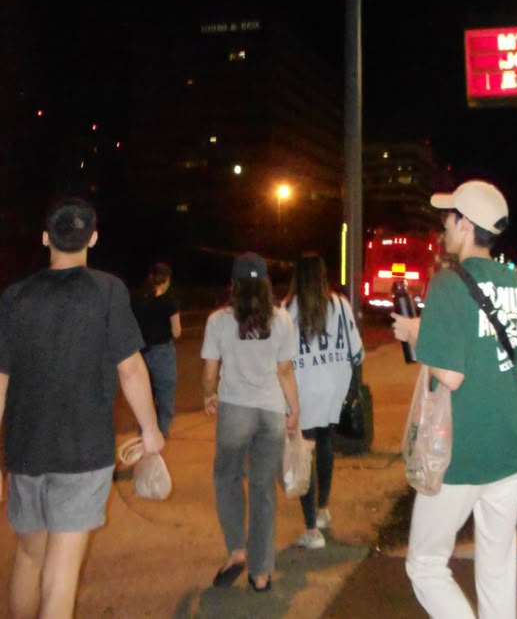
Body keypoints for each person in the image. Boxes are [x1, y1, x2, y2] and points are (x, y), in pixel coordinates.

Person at [391, 180, 517, 619]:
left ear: (464, 224)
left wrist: (414, 333)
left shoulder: (448, 283)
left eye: (448, 217)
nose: (443, 224)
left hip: (466, 445)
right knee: (497, 560)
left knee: (425, 565)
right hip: (516, 440)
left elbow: (452, 375)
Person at [0, 196, 164, 619]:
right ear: (93, 237)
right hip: (83, 450)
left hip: (25, 450)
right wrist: (150, 430)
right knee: (61, 573)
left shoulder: (15, 298)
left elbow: (1, 379)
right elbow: (130, 369)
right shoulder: (108, 291)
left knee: (28, 558)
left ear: (45, 238)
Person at [201, 251, 300, 592]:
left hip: (235, 411)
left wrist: (209, 394)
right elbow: (285, 370)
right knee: (262, 490)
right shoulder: (282, 320)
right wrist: (294, 409)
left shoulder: (218, 320)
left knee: (226, 478)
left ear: (234, 285)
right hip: (271, 411)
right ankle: (261, 573)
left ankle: (236, 551)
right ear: (267, 286)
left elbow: (211, 369)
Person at [284, 252, 363, 549]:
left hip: (302, 391)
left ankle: (311, 531)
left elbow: (280, 360)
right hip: (333, 388)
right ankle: (322, 510)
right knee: (325, 443)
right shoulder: (340, 305)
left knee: (303, 453)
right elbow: (356, 351)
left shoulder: (288, 309)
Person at [130, 261, 181, 438]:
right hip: (163, 353)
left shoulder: (138, 299)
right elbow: (176, 331)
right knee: (165, 398)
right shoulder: (169, 301)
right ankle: (160, 436)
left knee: (145, 398)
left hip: (142, 352)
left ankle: (143, 435)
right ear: (166, 280)